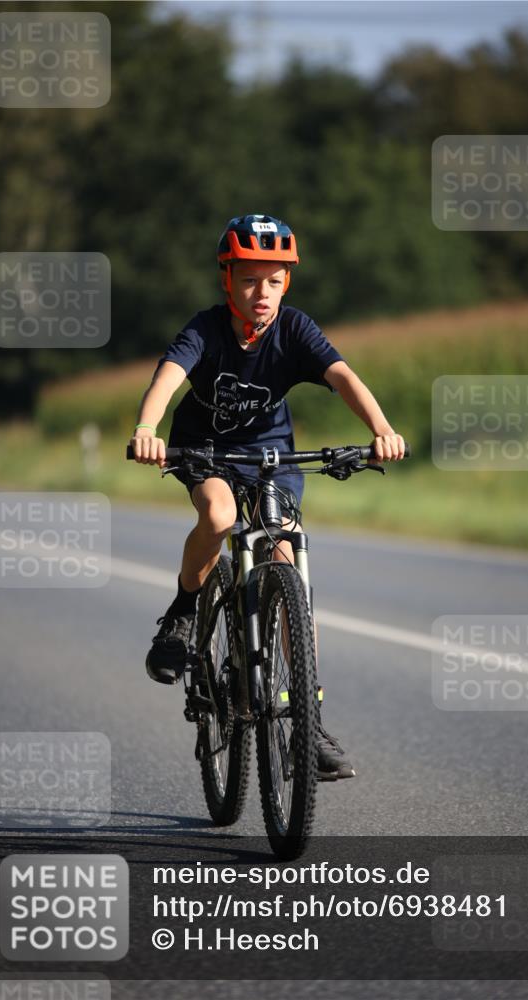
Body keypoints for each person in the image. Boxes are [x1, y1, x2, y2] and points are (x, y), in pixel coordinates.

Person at [131, 213, 406, 780]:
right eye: (250, 279)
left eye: (274, 280)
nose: (263, 293)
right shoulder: (206, 330)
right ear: (226, 279)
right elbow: (167, 377)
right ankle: (183, 614)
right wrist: (146, 430)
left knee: (289, 561)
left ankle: (307, 722)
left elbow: (344, 378)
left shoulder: (295, 330)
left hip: (272, 456)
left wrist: (382, 429)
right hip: (204, 450)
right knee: (220, 513)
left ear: (288, 282)